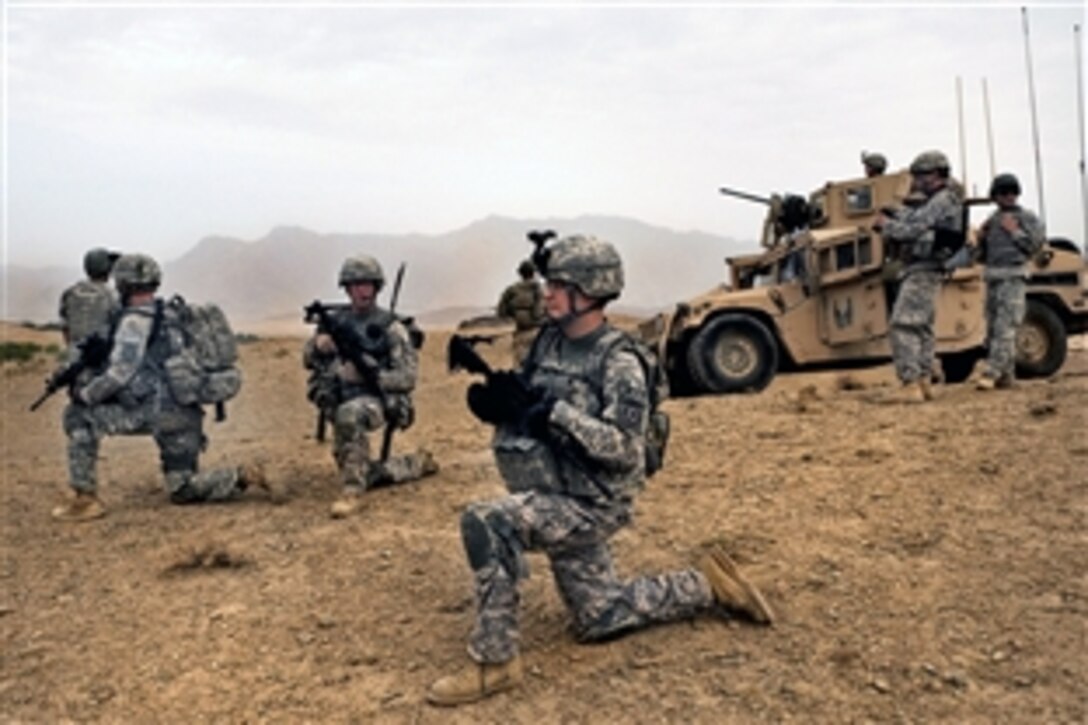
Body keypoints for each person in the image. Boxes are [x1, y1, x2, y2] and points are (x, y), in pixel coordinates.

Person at [427, 235, 773, 707]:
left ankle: (495, 662)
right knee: (599, 618)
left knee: (488, 520)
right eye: (548, 283)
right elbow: (532, 402)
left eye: (558, 285)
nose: (546, 293)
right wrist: (506, 404)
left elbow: (624, 450)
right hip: (554, 487)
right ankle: (705, 586)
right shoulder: (548, 341)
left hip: (593, 502)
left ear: (588, 291)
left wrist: (552, 413)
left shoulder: (620, 360)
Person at [52, 254, 268, 522]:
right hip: (185, 414)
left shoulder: (132, 322)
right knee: (183, 487)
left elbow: (120, 373)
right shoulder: (172, 314)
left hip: (150, 411)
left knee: (78, 416)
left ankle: (85, 499)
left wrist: (85, 395)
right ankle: (241, 475)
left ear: (121, 284)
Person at [303, 255, 438, 519]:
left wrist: (369, 377)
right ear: (347, 289)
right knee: (358, 462)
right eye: (356, 285)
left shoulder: (392, 327)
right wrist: (317, 346)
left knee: (349, 417)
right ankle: (414, 464)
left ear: (377, 288)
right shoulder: (335, 323)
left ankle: (352, 492)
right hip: (340, 397)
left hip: (382, 399)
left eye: (368, 285)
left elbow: (407, 377)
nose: (362, 291)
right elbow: (308, 360)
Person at [872, 150, 963, 402]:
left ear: (935, 175)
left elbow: (913, 230)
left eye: (921, 176)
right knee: (922, 326)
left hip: (925, 267)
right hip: (927, 267)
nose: (917, 182)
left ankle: (910, 383)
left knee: (903, 323)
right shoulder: (943, 200)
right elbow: (918, 219)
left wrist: (885, 225)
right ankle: (923, 381)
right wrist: (897, 212)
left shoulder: (942, 200)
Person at [974, 173, 1046, 390]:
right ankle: (1006, 375)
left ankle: (992, 372)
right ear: (995, 196)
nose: (1009, 197)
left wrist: (1015, 232)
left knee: (1006, 326)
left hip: (1013, 276)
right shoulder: (992, 221)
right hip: (994, 276)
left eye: (1012, 192)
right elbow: (982, 255)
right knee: (994, 328)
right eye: (1003, 193)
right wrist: (980, 239)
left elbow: (1035, 246)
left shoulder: (1027, 218)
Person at [58, 248, 121, 355]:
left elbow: (65, 328)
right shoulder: (112, 295)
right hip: (101, 359)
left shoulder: (70, 293)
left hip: (74, 358)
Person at [496, 259, 545, 366]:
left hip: (520, 331)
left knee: (519, 364)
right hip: (538, 331)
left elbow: (501, 311)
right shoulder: (540, 289)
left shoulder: (512, 290)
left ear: (520, 273)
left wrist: (514, 315)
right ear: (533, 273)